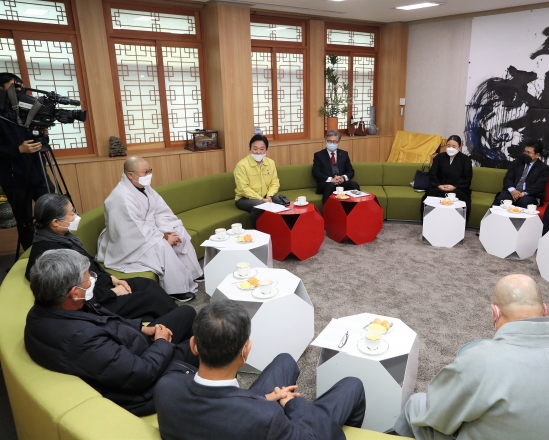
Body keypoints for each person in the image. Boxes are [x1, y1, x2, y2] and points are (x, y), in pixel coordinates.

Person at [394, 274, 549, 440]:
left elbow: (437, 414)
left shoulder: (479, 361)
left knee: (416, 405)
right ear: (545, 310)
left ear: (495, 312)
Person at [155, 300, 366, 440]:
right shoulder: (267, 417)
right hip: (262, 422)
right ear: (246, 350)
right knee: (352, 386)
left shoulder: (166, 387)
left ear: (193, 345)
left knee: (285, 361)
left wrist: (263, 398)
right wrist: (293, 404)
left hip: (239, 410)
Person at [24, 249, 198, 416]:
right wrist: (162, 343)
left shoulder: (48, 309)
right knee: (201, 345)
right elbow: (139, 374)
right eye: (88, 278)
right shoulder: (82, 339)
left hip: (130, 351)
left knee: (187, 313)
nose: (92, 280)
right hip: (142, 385)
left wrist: (142, 328)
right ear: (74, 293)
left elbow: (107, 321)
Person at [26, 194, 177, 322]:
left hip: (102, 286)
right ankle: (180, 326)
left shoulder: (63, 238)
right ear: (56, 222)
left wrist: (113, 280)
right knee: (152, 300)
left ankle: (178, 319)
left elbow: (90, 267)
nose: (76, 217)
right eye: (71, 214)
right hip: (93, 304)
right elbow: (78, 293)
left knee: (147, 284)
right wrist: (115, 292)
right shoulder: (52, 255)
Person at [97, 156, 202, 302]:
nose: (149, 175)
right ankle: (176, 289)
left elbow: (160, 211)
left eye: (150, 171)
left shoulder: (145, 188)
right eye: (145, 172)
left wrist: (167, 231)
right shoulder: (121, 197)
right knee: (162, 246)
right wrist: (164, 237)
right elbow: (133, 229)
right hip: (129, 240)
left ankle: (193, 273)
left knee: (179, 230)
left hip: (150, 231)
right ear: (130, 175)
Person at [0, 72, 54, 251]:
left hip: (38, 173)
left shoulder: (27, 111)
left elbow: (39, 142)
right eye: (14, 87)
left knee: (54, 210)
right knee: (25, 223)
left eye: (21, 87)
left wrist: (43, 135)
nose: (20, 90)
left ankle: (57, 250)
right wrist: (18, 150)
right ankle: (33, 258)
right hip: (14, 179)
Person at [421, 135, 473, 220]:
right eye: (448, 146)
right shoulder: (439, 157)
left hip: (458, 187)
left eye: (454, 146)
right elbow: (433, 173)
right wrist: (439, 185)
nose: (451, 148)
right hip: (439, 185)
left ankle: (456, 222)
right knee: (431, 193)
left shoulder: (466, 160)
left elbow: (467, 177)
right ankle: (430, 220)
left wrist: (454, 186)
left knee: (460, 196)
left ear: (459, 147)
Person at [234, 134, 280, 226]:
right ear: (250, 149)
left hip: (265, 196)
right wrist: (261, 199)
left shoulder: (271, 163)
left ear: (266, 150)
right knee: (260, 206)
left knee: (280, 201)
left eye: (262, 149)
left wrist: (269, 196)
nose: (258, 152)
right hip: (244, 199)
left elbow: (275, 182)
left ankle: (279, 229)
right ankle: (258, 231)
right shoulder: (242, 165)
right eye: (255, 149)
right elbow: (244, 188)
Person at [493, 140, 549, 207]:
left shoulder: (543, 168)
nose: (525, 154)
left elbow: (539, 186)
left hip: (530, 194)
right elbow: (508, 178)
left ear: (537, 155)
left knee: (523, 202)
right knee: (500, 199)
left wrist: (523, 193)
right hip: (513, 192)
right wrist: (513, 191)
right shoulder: (516, 163)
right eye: (524, 151)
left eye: (528, 153)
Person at [312, 130, 360, 204]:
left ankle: (354, 208)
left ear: (338, 142)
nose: (332, 143)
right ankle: (327, 209)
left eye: (334, 142)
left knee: (354, 185)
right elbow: (316, 173)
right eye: (329, 141)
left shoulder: (344, 154)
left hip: (341, 182)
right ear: (326, 141)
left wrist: (343, 178)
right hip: (327, 183)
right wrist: (331, 179)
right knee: (330, 186)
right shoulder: (319, 155)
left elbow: (351, 171)